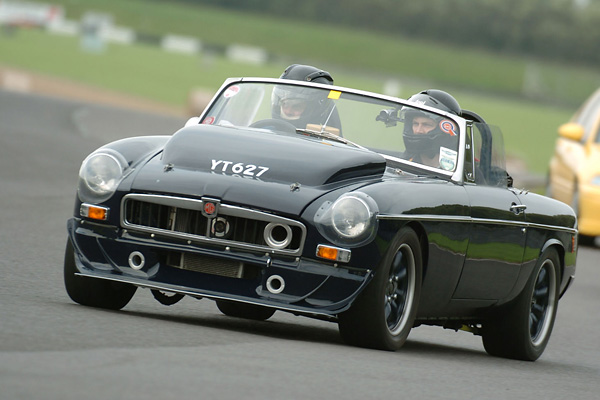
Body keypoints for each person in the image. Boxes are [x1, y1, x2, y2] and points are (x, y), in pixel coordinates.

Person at [271, 64, 341, 132]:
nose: (288, 111)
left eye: (296, 107)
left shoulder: (322, 142)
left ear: (314, 109)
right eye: (285, 104)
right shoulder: (266, 130)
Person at [402, 89, 461, 169]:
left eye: (426, 125)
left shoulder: (460, 169)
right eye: (415, 124)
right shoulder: (404, 163)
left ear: (444, 129)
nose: (418, 131)